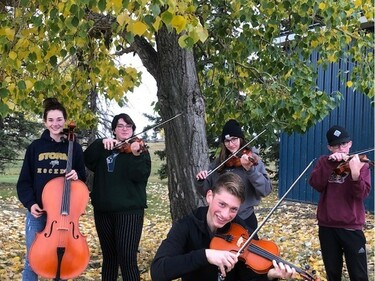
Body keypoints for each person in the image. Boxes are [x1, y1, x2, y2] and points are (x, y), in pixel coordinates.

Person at [151, 172, 296, 281]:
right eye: (222, 204)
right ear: (209, 196)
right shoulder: (185, 227)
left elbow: (247, 277)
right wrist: (206, 255)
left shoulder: (241, 228)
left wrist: (269, 276)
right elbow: (158, 271)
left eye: (233, 209)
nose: (226, 215)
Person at [16, 97, 87, 281]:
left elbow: (82, 181)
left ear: (65, 120)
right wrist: (30, 204)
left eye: (59, 119)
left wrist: (76, 177)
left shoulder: (74, 148)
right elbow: (24, 181)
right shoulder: (35, 147)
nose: (55, 124)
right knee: (32, 261)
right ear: (45, 122)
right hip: (39, 213)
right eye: (51, 120)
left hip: (65, 216)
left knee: (62, 265)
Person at [84, 113, 151, 281]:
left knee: (127, 259)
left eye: (128, 126)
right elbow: (86, 160)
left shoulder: (140, 150)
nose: (125, 129)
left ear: (133, 129)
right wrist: (99, 143)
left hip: (129, 212)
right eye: (120, 126)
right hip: (103, 211)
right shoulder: (105, 148)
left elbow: (140, 176)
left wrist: (136, 155)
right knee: (110, 258)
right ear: (114, 130)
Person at [309, 125, 371, 281]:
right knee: (333, 272)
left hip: (351, 226)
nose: (341, 149)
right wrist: (330, 165)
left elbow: (362, 194)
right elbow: (316, 184)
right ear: (329, 147)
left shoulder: (360, 163)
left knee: (359, 274)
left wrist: (355, 173)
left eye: (344, 144)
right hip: (327, 227)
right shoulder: (324, 162)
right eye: (336, 145)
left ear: (350, 144)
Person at [196, 119, 272, 232]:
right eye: (227, 141)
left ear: (241, 139)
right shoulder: (218, 163)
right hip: (220, 220)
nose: (231, 144)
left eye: (234, 139)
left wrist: (250, 170)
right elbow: (207, 192)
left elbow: (265, 190)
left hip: (245, 219)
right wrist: (201, 181)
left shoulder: (252, 160)